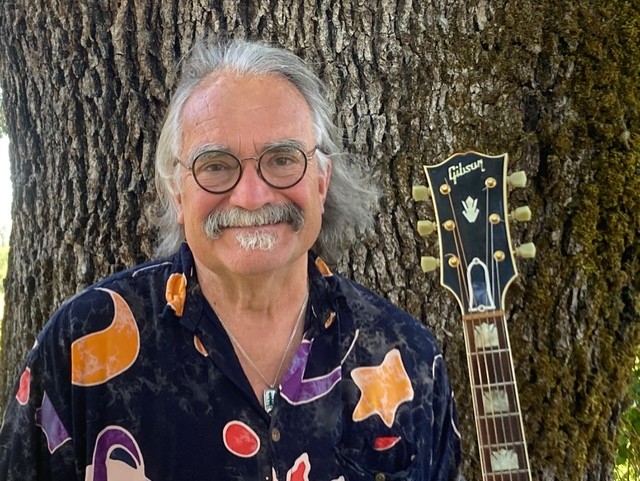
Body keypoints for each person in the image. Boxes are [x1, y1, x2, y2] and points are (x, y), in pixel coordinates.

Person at [0, 38, 463, 480]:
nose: (252, 196)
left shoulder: (407, 357)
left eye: (282, 159)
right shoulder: (85, 347)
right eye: (216, 166)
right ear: (176, 192)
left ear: (322, 181)